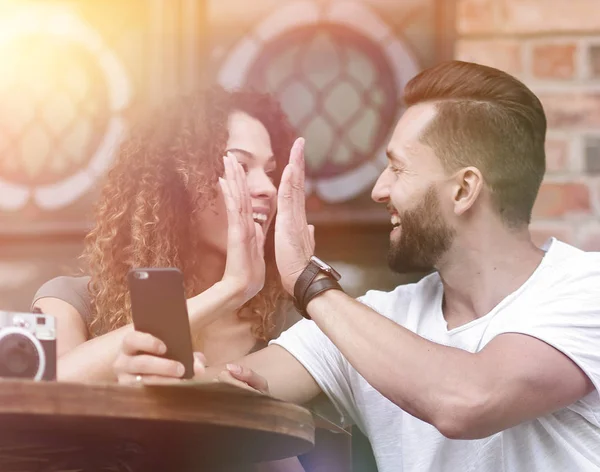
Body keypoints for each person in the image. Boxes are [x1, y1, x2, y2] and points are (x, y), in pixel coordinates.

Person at [114, 61, 600, 472]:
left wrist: (309, 280)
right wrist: (158, 377)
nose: (379, 190)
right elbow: (226, 389)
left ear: (463, 190)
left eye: (398, 168)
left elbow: (470, 400)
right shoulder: (380, 321)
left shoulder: (584, 289)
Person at [32, 86, 350, 471]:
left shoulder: (292, 323)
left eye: (269, 171)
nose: (266, 187)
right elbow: (41, 393)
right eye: (239, 165)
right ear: (178, 180)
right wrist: (229, 290)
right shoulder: (71, 301)